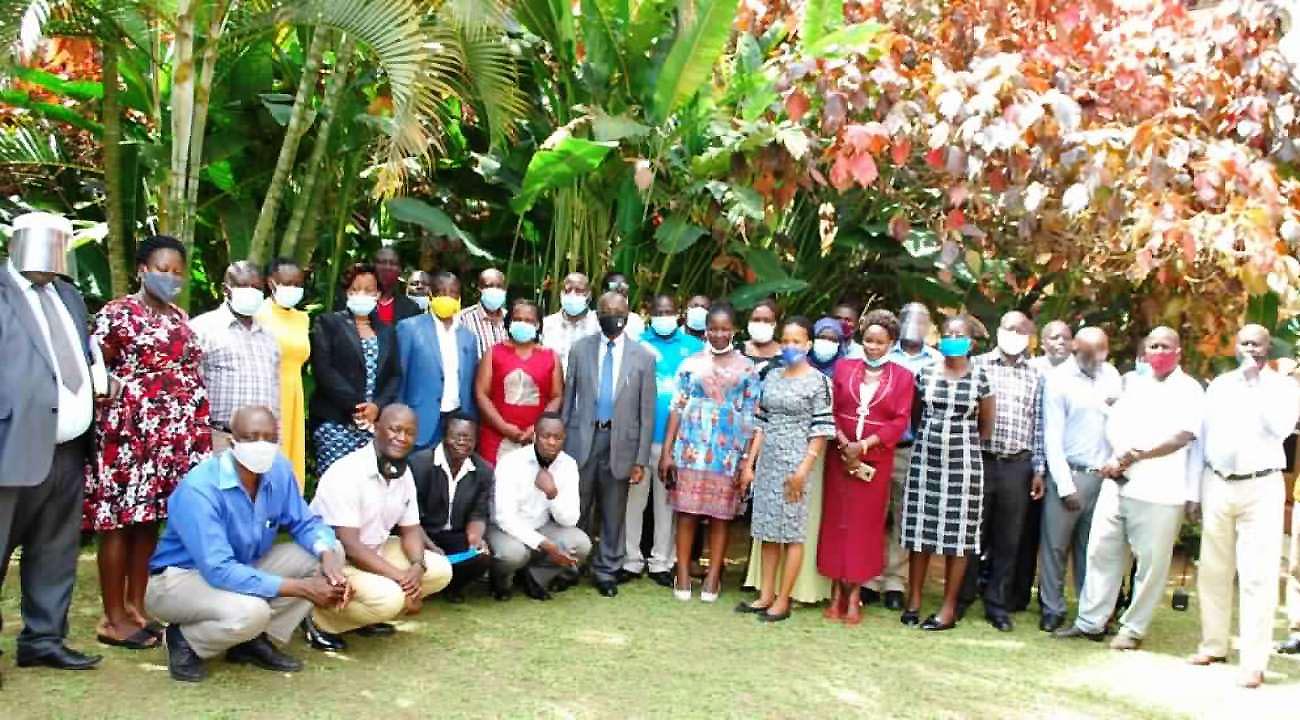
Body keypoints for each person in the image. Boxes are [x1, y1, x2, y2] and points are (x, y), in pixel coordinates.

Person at [146, 406, 350, 682]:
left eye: (269, 438)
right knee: (251, 611)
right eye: (252, 437)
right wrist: (304, 589)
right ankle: (184, 640)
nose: (261, 446)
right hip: (178, 580)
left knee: (330, 551)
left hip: (241, 564)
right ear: (232, 442)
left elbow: (305, 523)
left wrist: (329, 559)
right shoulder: (201, 489)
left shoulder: (278, 469)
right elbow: (219, 569)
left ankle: (252, 641)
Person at [85, 234, 211, 651]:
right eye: (162, 269)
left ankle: (136, 607)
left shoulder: (178, 316)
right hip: (128, 437)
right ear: (142, 269)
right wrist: (112, 386)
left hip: (171, 441)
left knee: (146, 523)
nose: (171, 278)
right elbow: (90, 368)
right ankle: (112, 617)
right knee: (119, 523)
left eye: (178, 272)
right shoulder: (117, 314)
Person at [1055, 327, 1203, 651]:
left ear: (1178, 352)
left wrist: (1138, 455)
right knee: (1100, 554)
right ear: (1145, 350)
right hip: (1118, 484)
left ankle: (1132, 630)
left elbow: (1183, 437)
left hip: (1159, 493)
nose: (1159, 352)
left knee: (1150, 566)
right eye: (1153, 346)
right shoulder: (1132, 383)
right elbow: (1115, 427)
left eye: (1166, 346)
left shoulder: (1189, 390)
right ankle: (1090, 623)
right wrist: (1116, 460)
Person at [0, 212, 103, 671]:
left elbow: (78, 354)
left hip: (69, 447)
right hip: (11, 443)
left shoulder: (67, 295)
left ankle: (43, 640)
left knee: (55, 549)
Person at [1190, 325, 1300, 688]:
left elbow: (1281, 428)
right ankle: (1214, 644)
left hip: (1262, 485)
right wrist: (1194, 491)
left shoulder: (1283, 388)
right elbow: (1202, 439)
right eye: (1245, 343)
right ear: (1236, 346)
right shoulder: (1220, 386)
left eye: (1257, 344)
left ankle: (1254, 662)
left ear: (1267, 349)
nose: (1250, 348)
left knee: (1257, 576)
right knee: (1213, 568)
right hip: (1218, 481)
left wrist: (1257, 386)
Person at [307, 405, 453, 645]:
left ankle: (365, 618)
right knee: (391, 598)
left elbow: (410, 529)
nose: (401, 438)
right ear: (376, 428)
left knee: (440, 570)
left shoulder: (401, 472)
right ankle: (320, 620)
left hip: (375, 551)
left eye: (409, 433)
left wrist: (417, 566)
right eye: (395, 429)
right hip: (335, 561)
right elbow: (351, 546)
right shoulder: (347, 472)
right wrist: (402, 580)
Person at [818, 310, 915, 624]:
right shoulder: (845, 368)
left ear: (891, 343)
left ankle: (855, 593)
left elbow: (900, 421)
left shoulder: (903, 376)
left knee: (865, 527)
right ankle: (835, 591)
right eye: (869, 340)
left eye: (880, 342)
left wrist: (865, 445)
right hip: (840, 455)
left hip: (874, 461)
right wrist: (844, 442)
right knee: (836, 522)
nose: (873, 347)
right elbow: (830, 408)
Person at [900, 315, 995, 631]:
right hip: (926, 458)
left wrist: (958, 441)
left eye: (960, 334)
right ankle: (913, 599)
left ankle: (948, 607)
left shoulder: (981, 378)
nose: (953, 337)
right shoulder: (925, 373)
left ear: (971, 343)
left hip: (964, 463)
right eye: (948, 333)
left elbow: (986, 427)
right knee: (919, 531)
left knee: (958, 536)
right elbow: (916, 416)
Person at [660, 304, 760, 603]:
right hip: (690, 449)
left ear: (734, 330)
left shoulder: (747, 368)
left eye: (724, 328)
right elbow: (676, 408)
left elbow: (753, 415)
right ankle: (682, 573)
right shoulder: (690, 363)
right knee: (687, 513)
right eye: (713, 328)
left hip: (727, 452)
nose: (718, 334)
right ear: (706, 330)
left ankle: (714, 575)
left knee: (721, 516)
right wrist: (667, 452)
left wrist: (746, 459)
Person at [736, 317, 834, 621]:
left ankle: (783, 599)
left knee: (791, 533)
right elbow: (761, 423)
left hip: (796, 463)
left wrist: (804, 469)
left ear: (808, 345)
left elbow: (821, 429)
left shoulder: (818, 381)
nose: (791, 346)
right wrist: (749, 464)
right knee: (767, 531)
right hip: (768, 463)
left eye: (797, 341)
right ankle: (765, 595)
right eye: (787, 341)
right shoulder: (773, 376)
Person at [562, 291, 657, 597]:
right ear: (596, 314)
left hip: (621, 444)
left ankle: (606, 571)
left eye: (617, 311)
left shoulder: (643, 357)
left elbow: (647, 413)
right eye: (605, 310)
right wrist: (562, 442)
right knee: (577, 507)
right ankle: (571, 566)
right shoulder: (579, 350)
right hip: (582, 440)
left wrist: (640, 460)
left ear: (627, 315)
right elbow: (567, 400)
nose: (611, 315)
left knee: (614, 511)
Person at [959, 311, 1046, 632]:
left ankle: (996, 602)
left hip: (1017, 465)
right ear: (999, 330)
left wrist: (1038, 469)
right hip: (980, 460)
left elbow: (1038, 426)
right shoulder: (977, 365)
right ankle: (962, 597)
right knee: (971, 533)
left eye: (1022, 330)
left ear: (1030, 336)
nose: (1014, 334)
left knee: (1008, 538)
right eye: (1009, 328)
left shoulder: (1036, 375)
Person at [1038, 327, 1121, 632]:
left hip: (1103, 476)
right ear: (1076, 351)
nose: (1098, 360)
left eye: (1102, 353)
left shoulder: (1110, 375)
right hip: (1071, 473)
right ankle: (1052, 607)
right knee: (1055, 547)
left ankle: (1092, 613)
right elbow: (1052, 437)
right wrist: (1064, 485)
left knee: (1094, 549)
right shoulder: (1059, 381)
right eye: (1091, 355)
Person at [864, 302, 942, 609]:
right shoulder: (881, 352)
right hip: (875, 448)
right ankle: (868, 578)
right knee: (873, 514)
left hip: (911, 449)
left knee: (903, 515)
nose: (915, 325)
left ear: (930, 326)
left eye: (923, 320)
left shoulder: (936, 360)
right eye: (909, 318)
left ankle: (895, 581)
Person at [624, 295, 704, 587]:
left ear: (678, 314)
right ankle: (630, 560)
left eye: (668, 311)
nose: (663, 316)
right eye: (658, 312)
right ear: (650, 315)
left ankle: (662, 562)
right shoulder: (638, 344)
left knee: (667, 504)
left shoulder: (694, 348)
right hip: (639, 439)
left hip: (677, 441)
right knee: (633, 502)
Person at [487, 412, 592, 601]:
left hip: (540, 525)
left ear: (564, 439)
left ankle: (534, 577)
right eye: (546, 436)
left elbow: (569, 519)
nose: (552, 442)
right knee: (514, 554)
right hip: (504, 529)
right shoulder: (511, 462)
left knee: (581, 544)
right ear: (535, 435)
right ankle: (500, 581)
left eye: (557, 438)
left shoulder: (568, 464)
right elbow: (505, 518)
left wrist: (552, 493)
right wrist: (545, 544)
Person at [308, 263, 402, 474]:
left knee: (368, 484)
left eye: (369, 290)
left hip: (373, 425)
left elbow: (395, 375)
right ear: (347, 292)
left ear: (378, 294)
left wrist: (376, 407)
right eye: (356, 289)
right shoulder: (328, 324)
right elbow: (324, 371)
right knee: (335, 483)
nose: (362, 294)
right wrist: (358, 407)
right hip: (336, 422)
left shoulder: (388, 332)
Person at [189, 261, 280, 451]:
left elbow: (275, 390)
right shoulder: (202, 329)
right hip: (219, 438)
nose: (251, 292)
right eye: (243, 286)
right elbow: (188, 389)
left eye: (256, 287)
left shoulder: (269, 336)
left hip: (263, 443)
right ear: (226, 290)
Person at [1017, 319, 1074, 610]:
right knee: (1025, 530)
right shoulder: (1032, 368)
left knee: (1056, 538)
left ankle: (1049, 597)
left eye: (1065, 337)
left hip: (1067, 467)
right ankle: (1018, 592)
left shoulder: (1080, 373)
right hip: (1030, 461)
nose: (1059, 343)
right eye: (1053, 337)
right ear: (1043, 341)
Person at [408, 414, 494, 603]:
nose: (462, 442)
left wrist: (475, 539)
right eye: (457, 436)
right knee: (414, 553)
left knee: (482, 556)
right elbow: (409, 519)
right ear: (445, 436)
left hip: (456, 534)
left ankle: (452, 587)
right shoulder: (420, 464)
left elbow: (478, 513)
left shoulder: (483, 471)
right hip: (422, 534)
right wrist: (431, 546)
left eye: (469, 438)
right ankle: (428, 584)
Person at [397, 271, 479, 450]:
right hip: (419, 420)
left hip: (456, 419)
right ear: (431, 295)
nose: (447, 297)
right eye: (441, 292)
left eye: (453, 293)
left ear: (459, 298)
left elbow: (470, 383)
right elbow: (399, 377)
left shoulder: (468, 337)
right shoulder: (410, 328)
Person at [475, 299, 564, 464]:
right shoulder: (494, 353)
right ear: (509, 322)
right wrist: (503, 427)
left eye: (529, 320)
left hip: (537, 438)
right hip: (495, 437)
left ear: (538, 325)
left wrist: (537, 428)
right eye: (517, 319)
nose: (522, 323)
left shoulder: (551, 357)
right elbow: (481, 394)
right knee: (494, 486)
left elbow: (557, 396)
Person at [256, 257, 311, 486]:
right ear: (272, 283)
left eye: (298, 284)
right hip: (267, 396)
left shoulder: (302, 318)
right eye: (287, 283)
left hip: (294, 396)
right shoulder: (258, 314)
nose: (294, 288)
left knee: (291, 459)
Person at [542, 272, 599, 376]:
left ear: (589, 294)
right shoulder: (547, 324)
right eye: (568, 290)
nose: (572, 294)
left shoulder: (598, 325)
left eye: (579, 291)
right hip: (553, 389)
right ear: (561, 293)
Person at [460, 267, 509, 357]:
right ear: (480, 289)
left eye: (499, 286)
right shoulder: (463, 319)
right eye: (489, 286)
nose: (494, 290)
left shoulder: (511, 318)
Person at [372, 247, 421, 327]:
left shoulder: (411, 308)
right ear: (373, 266)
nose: (387, 267)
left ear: (400, 270)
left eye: (393, 263)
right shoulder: (358, 302)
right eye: (382, 262)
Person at [742, 299, 784, 381]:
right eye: (756, 320)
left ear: (775, 324)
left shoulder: (785, 354)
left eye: (767, 320)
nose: (761, 324)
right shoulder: (736, 350)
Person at [602, 271, 646, 340]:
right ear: (604, 291)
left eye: (624, 287)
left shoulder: (635, 321)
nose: (619, 290)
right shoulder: (591, 321)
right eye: (614, 286)